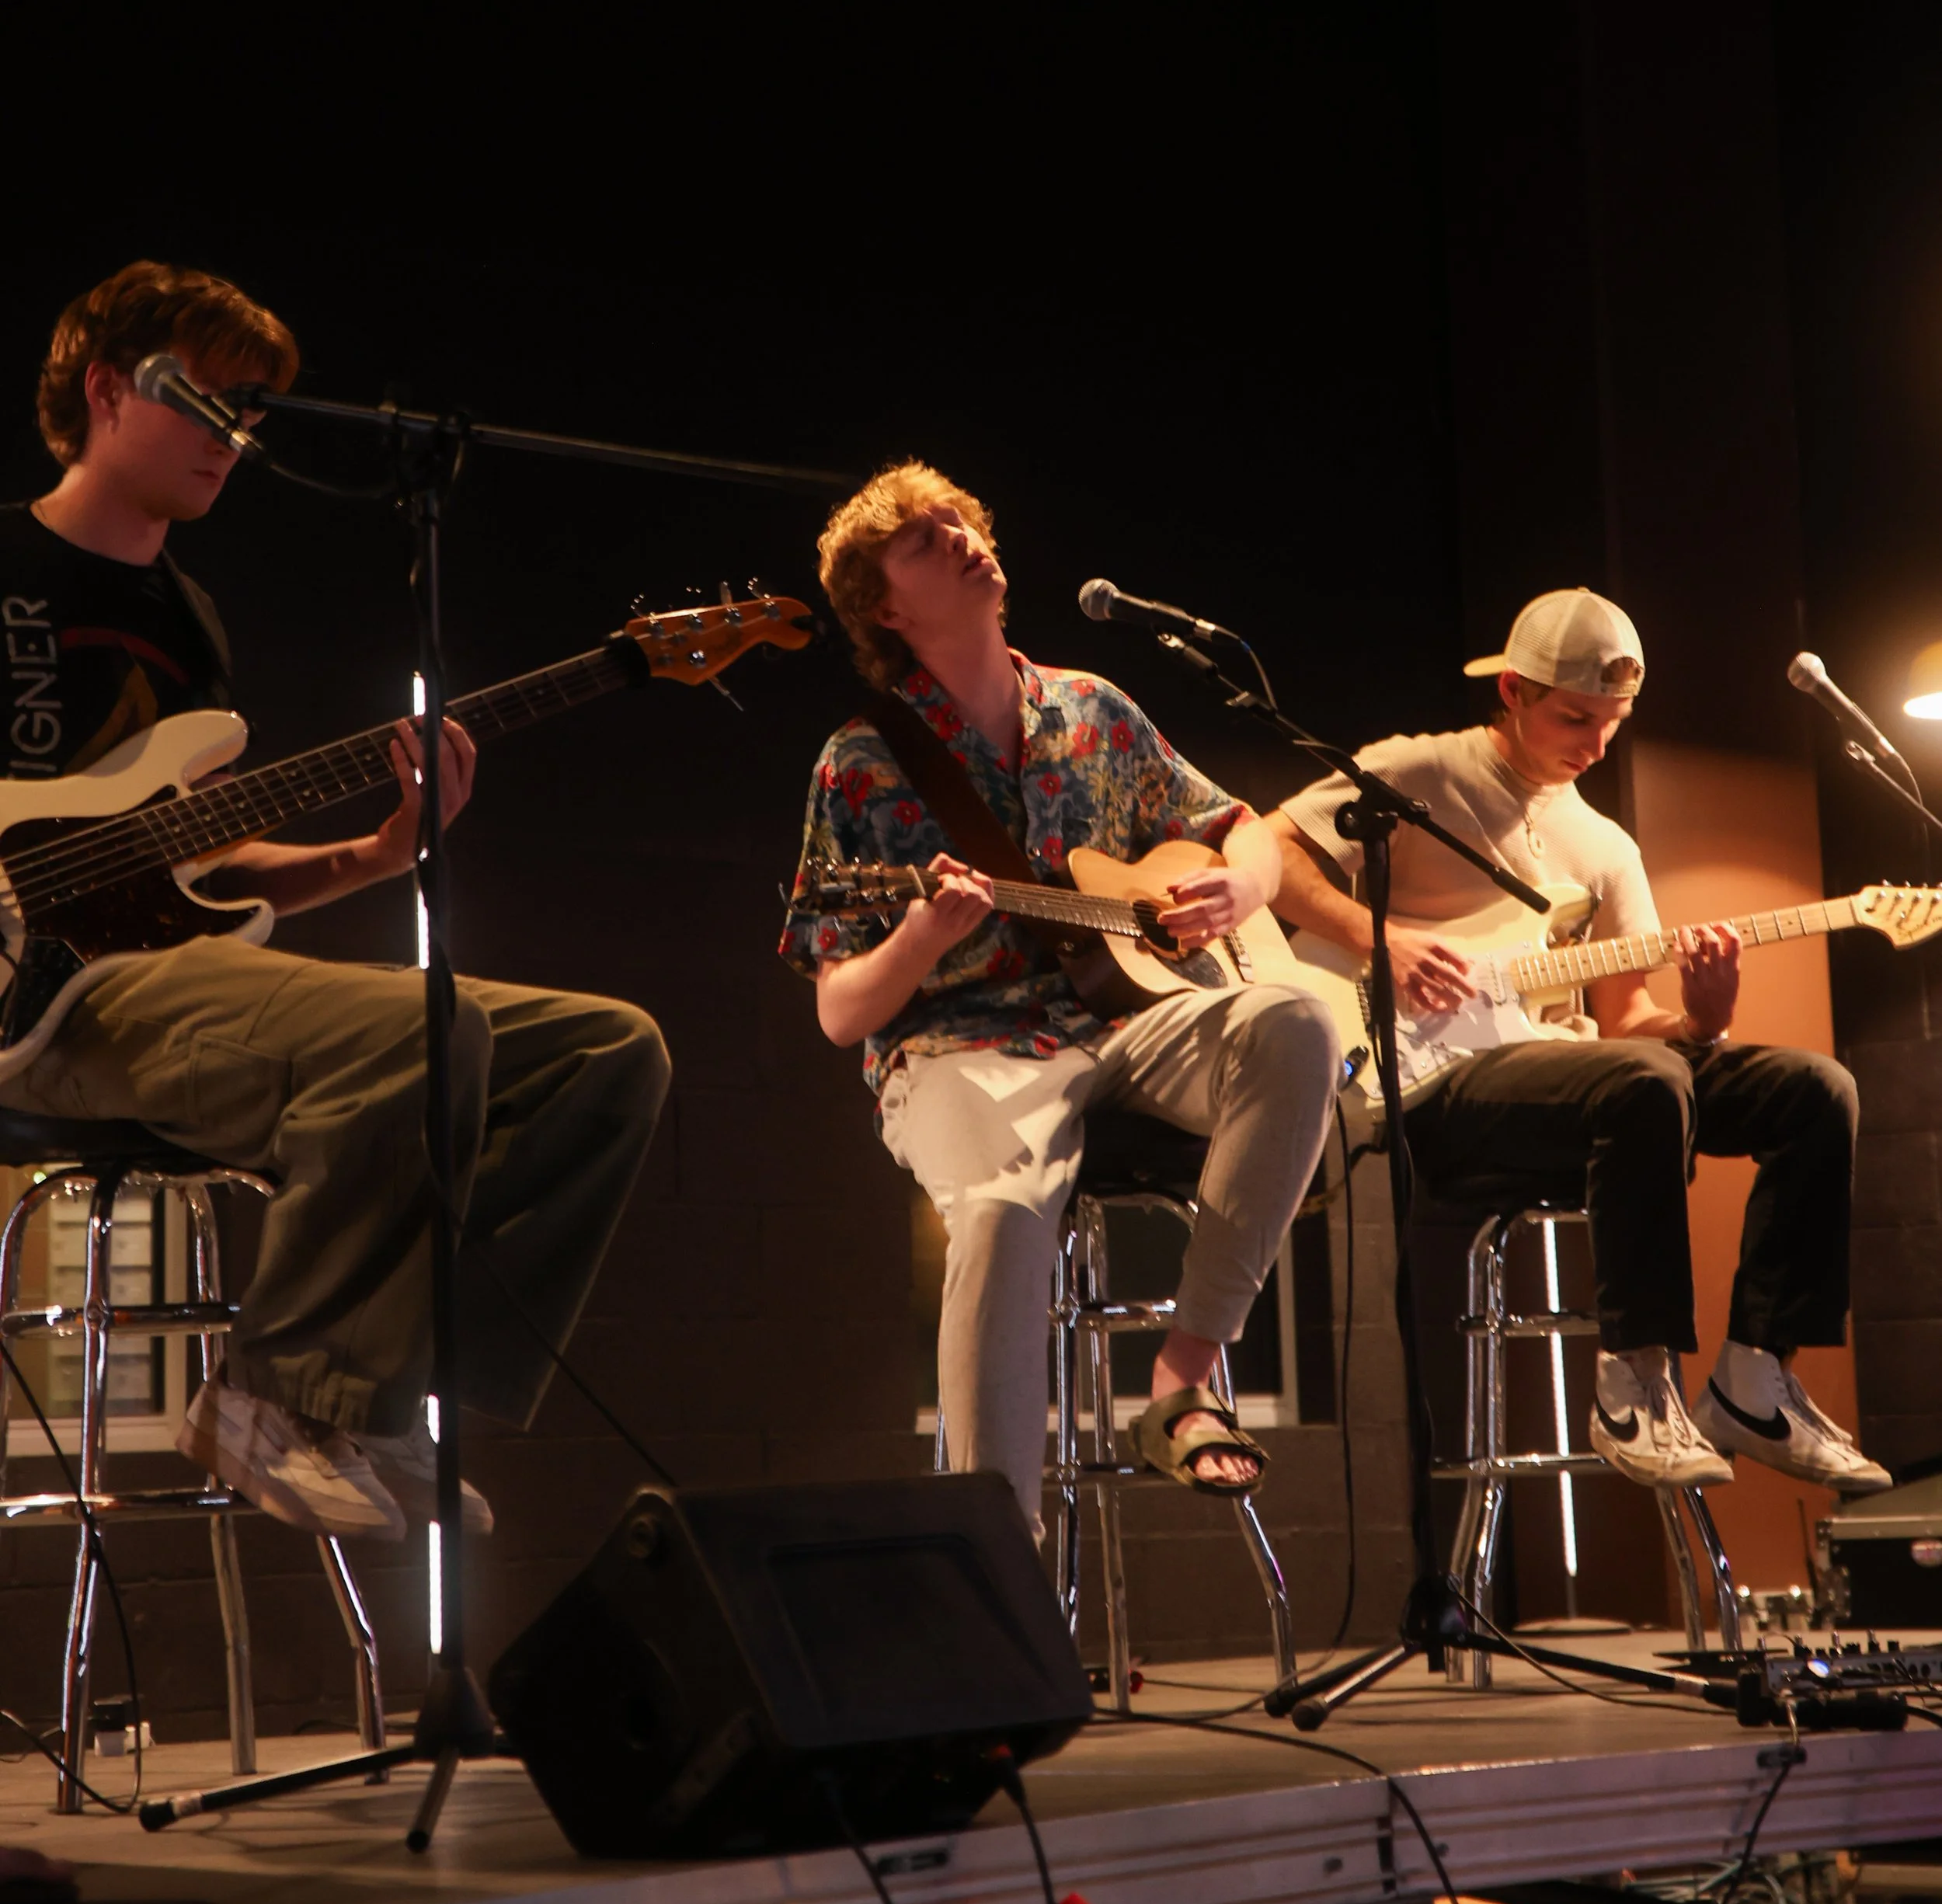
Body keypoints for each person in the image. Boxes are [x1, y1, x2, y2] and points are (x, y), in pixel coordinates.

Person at [0, 262, 670, 1541]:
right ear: (106, 389)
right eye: (212, 402)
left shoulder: (188, 622)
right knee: (424, 1033)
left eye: (255, 414)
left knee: (607, 1054)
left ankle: (382, 1402)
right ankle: (273, 1396)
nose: (239, 438)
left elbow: (196, 876)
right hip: (44, 1014)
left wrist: (378, 851)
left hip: (149, 977)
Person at [780, 461, 1340, 1531]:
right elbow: (841, 1010)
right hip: (956, 1047)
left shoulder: (1094, 709)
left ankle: (1183, 1377)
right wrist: (918, 933)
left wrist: (1245, 885)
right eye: (922, 538)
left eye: (959, 518)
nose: (957, 535)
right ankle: (1000, 1571)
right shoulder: (860, 764)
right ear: (888, 607)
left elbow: (1243, 825)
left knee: (1300, 1015)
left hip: (1126, 1022)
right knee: (996, 1214)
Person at [1268, 587, 1887, 1494]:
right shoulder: (1415, 772)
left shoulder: (1604, 846)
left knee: (1813, 1087)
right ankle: (1633, 1383)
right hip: (1442, 1088)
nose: (1595, 744)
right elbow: (1267, 853)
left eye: (1613, 723)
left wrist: (1703, 1018)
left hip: (1575, 1076)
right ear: (1513, 692)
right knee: (1642, 1083)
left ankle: (1754, 1377)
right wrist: (1382, 940)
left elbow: (1631, 1021)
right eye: (1574, 717)